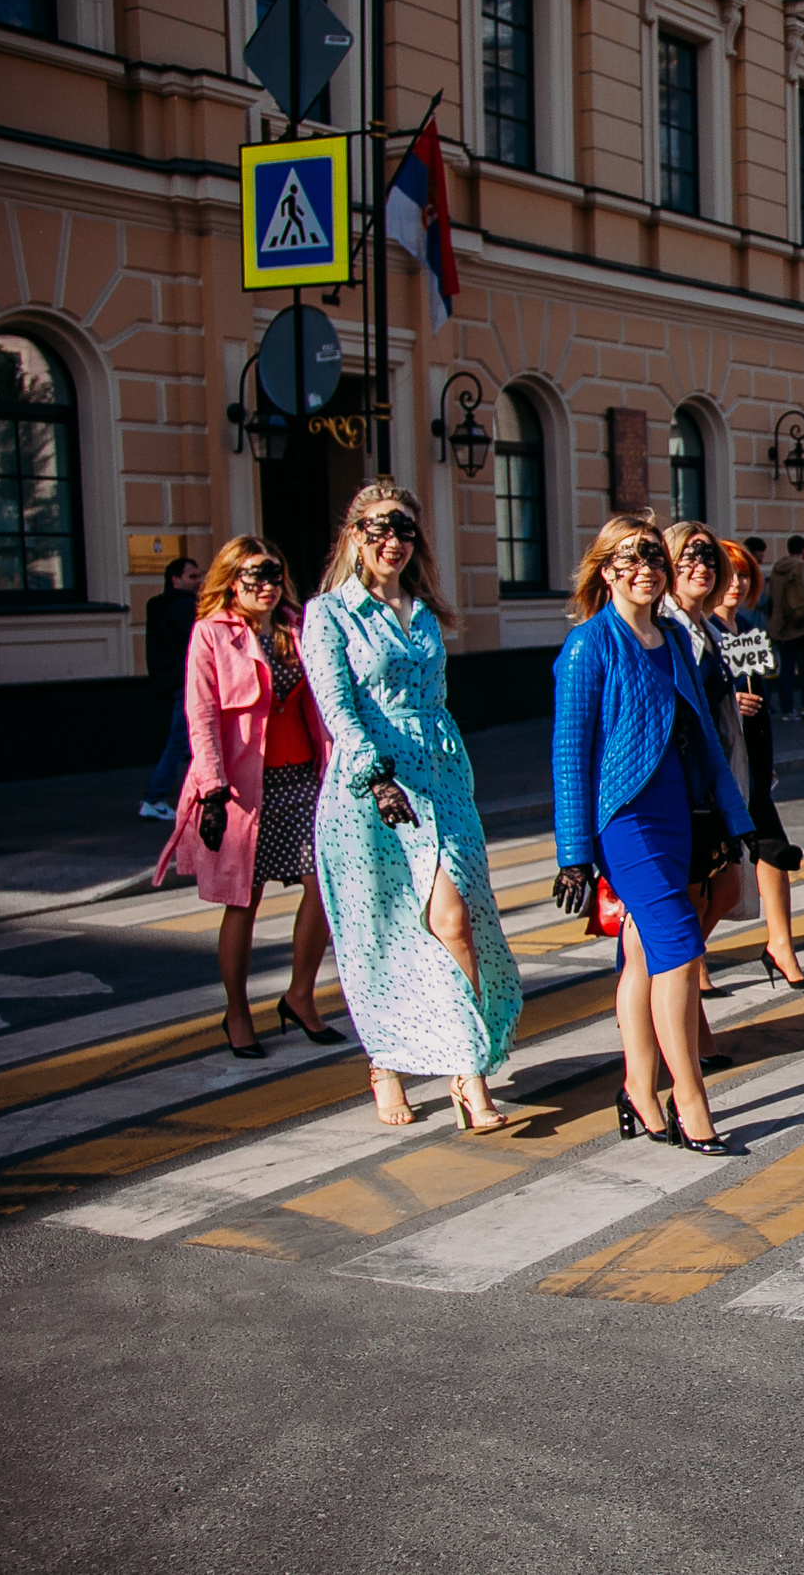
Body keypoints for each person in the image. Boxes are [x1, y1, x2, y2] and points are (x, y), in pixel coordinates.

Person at [304, 484, 524, 1131]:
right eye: (378, 531)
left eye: (403, 531)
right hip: (372, 790)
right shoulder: (329, 614)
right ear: (354, 537)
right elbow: (337, 708)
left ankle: (467, 1073)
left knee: (456, 918)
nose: (392, 543)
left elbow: (436, 703)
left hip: (443, 783)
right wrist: (377, 777)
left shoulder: (424, 613)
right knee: (381, 930)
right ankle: (386, 1063)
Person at [549, 513, 756, 1155]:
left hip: (682, 812)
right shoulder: (589, 645)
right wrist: (574, 855)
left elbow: (705, 741)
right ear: (605, 570)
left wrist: (736, 817)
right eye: (629, 560)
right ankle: (689, 1099)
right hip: (627, 818)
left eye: (653, 561)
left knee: (642, 955)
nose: (645, 571)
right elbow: (570, 754)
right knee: (676, 948)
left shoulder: (671, 637)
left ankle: (638, 1088)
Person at [153, 537, 343, 1057]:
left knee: (323, 885)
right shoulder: (210, 634)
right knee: (243, 900)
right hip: (243, 788)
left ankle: (300, 996)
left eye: (273, 575)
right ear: (231, 582)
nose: (265, 586)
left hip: (303, 776)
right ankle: (237, 1013)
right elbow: (201, 715)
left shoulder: (297, 627)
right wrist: (212, 791)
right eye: (253, 577)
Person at [658, 521, 754, 1009]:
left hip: (714, 785)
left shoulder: (703, 628)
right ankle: (681, 1021)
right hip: (684, 791)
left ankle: (687, 1006)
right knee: (692, 905)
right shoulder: (670, 628)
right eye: (688, 560)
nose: (702, 568)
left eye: (709, 559)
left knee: (726, 889)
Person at [716, 544, 804, 991]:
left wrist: (767, 765)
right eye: (729, 574)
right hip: (720, 764)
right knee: (714, 871)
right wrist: (727, 702)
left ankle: (780, 945)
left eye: (744, 575)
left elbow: (762, 702)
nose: (737, 584)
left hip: (753, 763)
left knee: (774, 851)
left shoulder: (748, 627)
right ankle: (690, 958)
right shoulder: (699, 631)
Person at [138, 556, 201, 820]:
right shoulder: (184, 608)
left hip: (172, 680)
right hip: (186, 681)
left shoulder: (159, 607)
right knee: (180, 741)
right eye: (192, 577)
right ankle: (155, 796)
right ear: (175, 580)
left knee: (187, 742)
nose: (199, 582)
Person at [765, 535, 804, 720]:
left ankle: (787, 710)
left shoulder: (776, 569)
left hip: (782, 626)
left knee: (787, 669)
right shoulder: (802, 567)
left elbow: (770, 596)